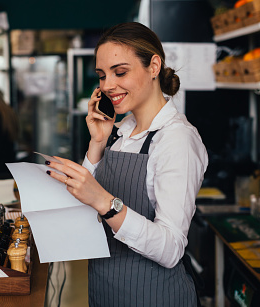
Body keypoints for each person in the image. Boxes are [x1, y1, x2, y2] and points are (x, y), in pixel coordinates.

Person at [45, 22, 208, 306]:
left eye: (120, 72)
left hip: (154, 298)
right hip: (104, 292)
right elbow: (85, 216)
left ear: (154, 66)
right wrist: (97, 143)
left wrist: (106, 202)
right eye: (102, 75)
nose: (107, 85)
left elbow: (171, 249)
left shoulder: (176, 139)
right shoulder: (119, 133)